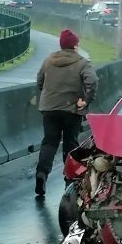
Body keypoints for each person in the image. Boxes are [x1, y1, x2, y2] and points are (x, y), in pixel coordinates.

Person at [34, 29, 98, 196]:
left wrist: (50, 96)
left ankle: (41, 174)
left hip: (49, 109)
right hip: (71, 110)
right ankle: (70, 181)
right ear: (75, 45)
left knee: (49, 142)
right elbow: (93, 81)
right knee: (70, 144)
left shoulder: (49, 60)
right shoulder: (82, 63)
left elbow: (39, 81)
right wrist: (86, 99)